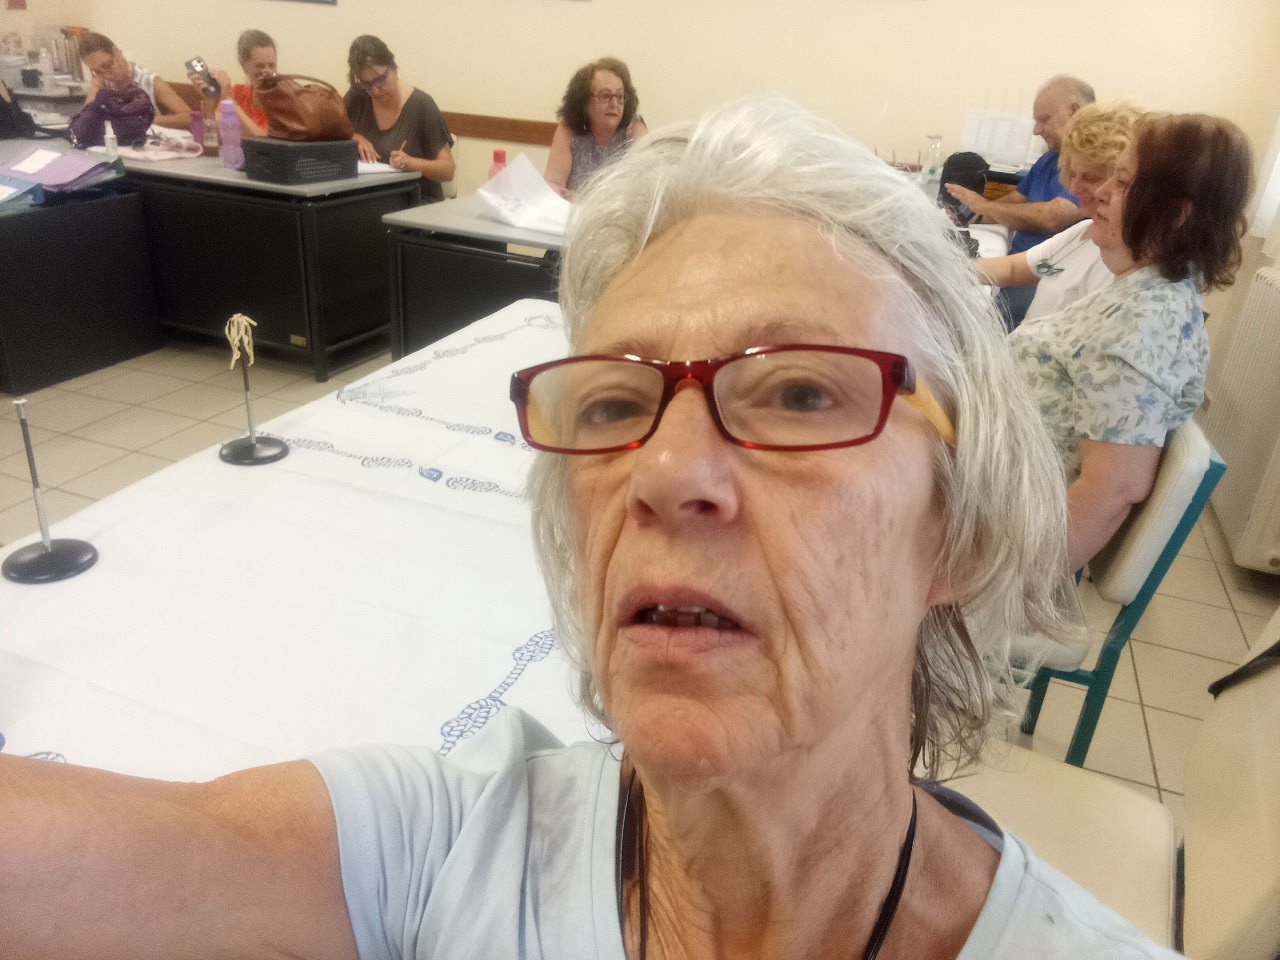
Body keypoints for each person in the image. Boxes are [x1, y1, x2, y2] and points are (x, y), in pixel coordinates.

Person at [0, 98, 1184, 960]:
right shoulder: (444, 856)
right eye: (614, 404)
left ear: (959, 532)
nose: (663, 471)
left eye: (797, 392)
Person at [1010, 112, 1253, 572]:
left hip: (1005, 529)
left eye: (1121, 183)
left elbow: (1111, 492)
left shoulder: (1144, 325)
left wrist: (996, 585)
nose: (1099, 192)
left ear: (1176, 214)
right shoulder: (1148, 290)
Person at [946, 75, 1095, 327]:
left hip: (1045, 274)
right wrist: (975, 213)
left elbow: (1053, 218)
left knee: (974, 316)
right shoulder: (1049, 159)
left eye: (1044, 119)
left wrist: (985, 206)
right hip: (1024, 264)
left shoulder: (1092, 167)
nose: (1036, 130)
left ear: (1075, 111)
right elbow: (1016, 201)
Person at [976, 103, 1140, 324]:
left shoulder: (1121, 264)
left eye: (1090, 178)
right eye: (1072, 174)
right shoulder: (1084, 231)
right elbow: (1013, 268)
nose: (1074, 188)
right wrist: (940, 270)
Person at [344, 35, 453, 203]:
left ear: (393, 67)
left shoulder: (422, 105)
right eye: (367, 84)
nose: (375, 90)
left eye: (380, 80)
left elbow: (448, 170)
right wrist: (354, 137)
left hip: (417, 200)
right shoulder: (357, 96)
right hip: (370, 198)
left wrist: (411, 163)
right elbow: (331, 135)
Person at [544, 56, 648, 200]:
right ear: (584, 101)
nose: (614, 103)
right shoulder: (568, 128)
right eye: (605, 96)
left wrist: (580, 199)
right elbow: (552, 184)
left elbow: (641, 192)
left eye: (620, 96)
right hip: (572, 213)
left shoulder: (635, 129)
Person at [78, 31, 191, 130]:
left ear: (117, 53)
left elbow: (188, 117)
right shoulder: (101, 80)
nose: (106, 74)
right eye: (97, 71)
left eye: (107, 65)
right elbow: (86, 119)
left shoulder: (147, 79)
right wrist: (96, 83)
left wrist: (143, 121)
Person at [186, 29, 277, 138]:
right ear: (244, 66)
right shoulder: (237, 92)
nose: (267, 72)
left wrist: (229, 101)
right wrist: (209, 102)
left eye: (271, 65)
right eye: (260, 66)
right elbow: (213, 136)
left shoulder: (285, 99)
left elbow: (266, 141)